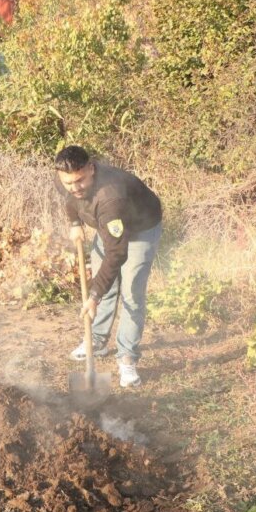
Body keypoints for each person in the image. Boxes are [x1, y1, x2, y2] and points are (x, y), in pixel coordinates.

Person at [54, 145, 163, 388]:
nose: (75, 187)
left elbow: (116, 253)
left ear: (91, 169)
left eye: (80, 181)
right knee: (107, 287)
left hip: (140, 230)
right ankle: (97, 340)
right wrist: (74, 223)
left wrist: (93, 297)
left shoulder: (111, 197)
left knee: (131, 294)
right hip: (110, 230)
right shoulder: (65, 175)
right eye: (68, 183)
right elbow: (70, 199)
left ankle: (127, 358)